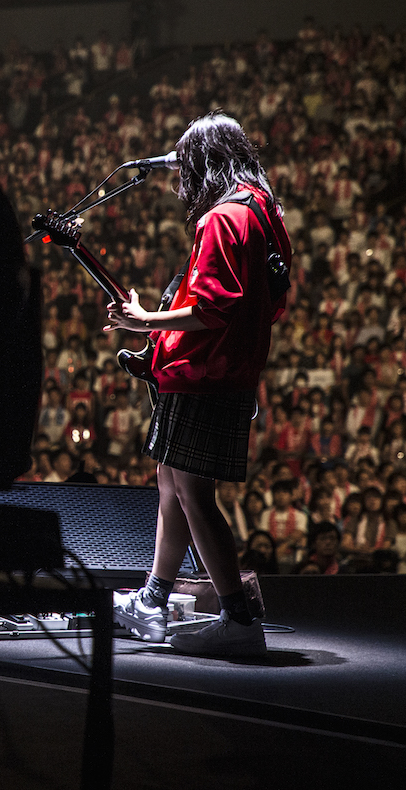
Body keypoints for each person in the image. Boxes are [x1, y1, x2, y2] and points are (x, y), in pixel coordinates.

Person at [106, 112, 290, 656]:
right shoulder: (263, 210)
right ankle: (153, 602)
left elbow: (211, 309)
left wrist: (145, 321)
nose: (180, 183)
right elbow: (267, 301)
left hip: (204, 376)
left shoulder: (223, 219)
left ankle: (237, 619)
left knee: (193, 494)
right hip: (223, 372)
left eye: (185, 169)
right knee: (172, 484)